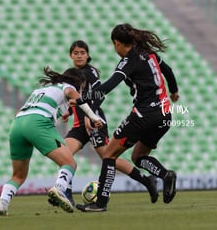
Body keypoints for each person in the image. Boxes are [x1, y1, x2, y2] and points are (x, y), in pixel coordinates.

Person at [74, 23, 180, 212]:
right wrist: (174, 91)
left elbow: (109, 85)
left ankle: (100, 203)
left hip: (143, 114)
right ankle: (165, 175)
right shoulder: (148, 53)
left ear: (117, 43)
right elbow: (169, 71)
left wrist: (83, 98)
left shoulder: (128, 60)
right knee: (138, 157)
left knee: (109, 154)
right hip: (165, 114)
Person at [48, 40, 159, 207]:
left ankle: (146, 180)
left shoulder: (90, 72)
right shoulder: (70, 73)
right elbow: (75, 98)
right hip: (79, 126)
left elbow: (100, 95)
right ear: (70, 55)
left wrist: (90, 116)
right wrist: (69, 112)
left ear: (87, 55)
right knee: (65, 155)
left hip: (94, 122)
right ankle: (65, 193)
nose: (79, 56)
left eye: (82, 53)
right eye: (76, 53)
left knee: (108, 157)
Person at [0, 67, 104, 215]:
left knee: (18, 175)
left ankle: (3, 203)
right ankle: (58, 189)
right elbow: (77, 98)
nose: (82, 90)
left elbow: (63, 102)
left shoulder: (42, 90)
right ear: (78, 82)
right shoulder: (68, 87)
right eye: (82, 86)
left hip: (17, 124)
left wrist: (66, 111)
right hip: (38, 122)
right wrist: (94, 117)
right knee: (69, 163)